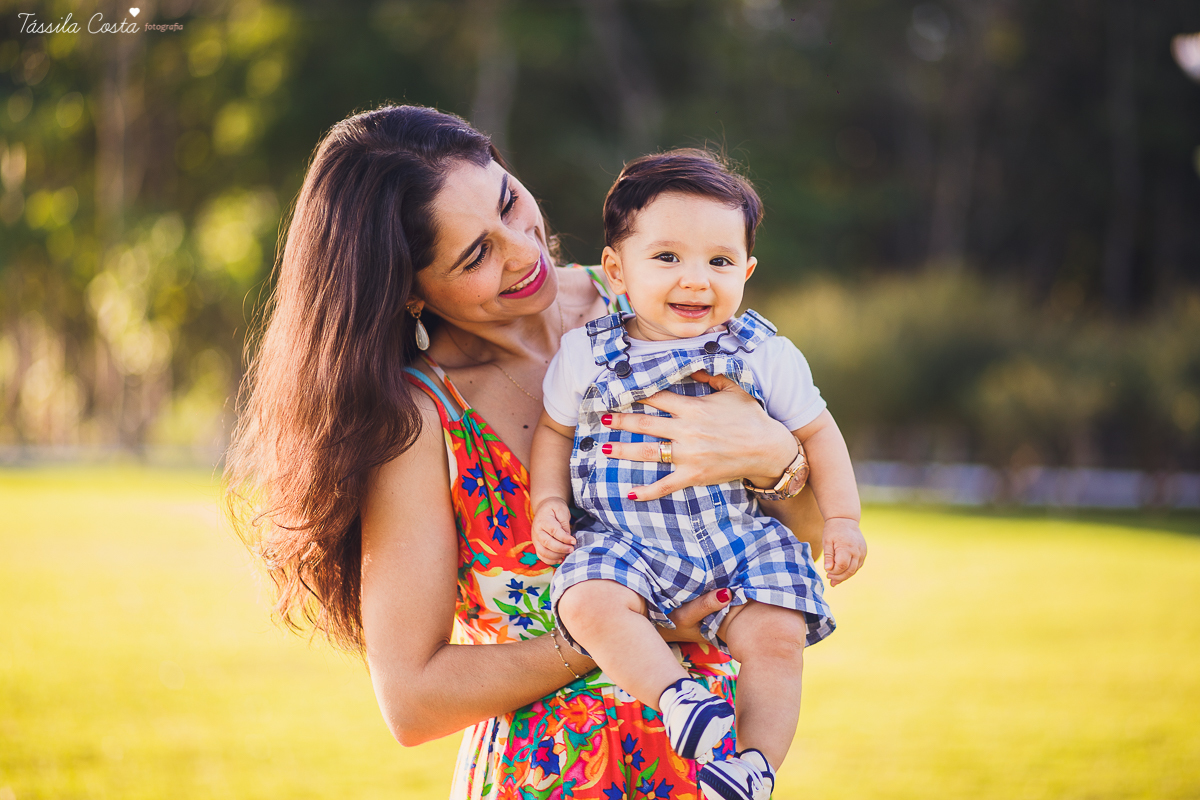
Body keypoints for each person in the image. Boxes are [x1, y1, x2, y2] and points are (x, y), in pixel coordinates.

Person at [225, 105, 829, 799]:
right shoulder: (423, 422)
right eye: (476, 254)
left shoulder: (659, 303)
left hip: (715, 772)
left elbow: (806, 536)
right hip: (549, 780)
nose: (523, 250)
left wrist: (775, 458)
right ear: (410, 293)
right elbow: (412, 700)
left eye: (510, 203)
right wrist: (602, 632)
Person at [528, 149, 867, 800]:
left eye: (719, 261)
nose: (696, 280)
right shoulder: (586, 353)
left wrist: (844, 519)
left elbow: (818, 432)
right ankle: (680, 699)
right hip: (624, 540)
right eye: (668, 258)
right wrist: (549, 502)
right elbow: (555, 431)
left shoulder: (762, 351)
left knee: (777, 635)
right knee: (586, 600)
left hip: (734, 540)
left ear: (748, 270)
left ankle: (753, 768)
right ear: (616, 270)